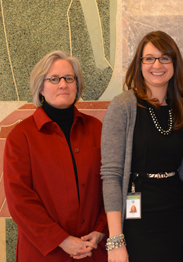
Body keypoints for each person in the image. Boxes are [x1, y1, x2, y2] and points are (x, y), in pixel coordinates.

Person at [101, 30, 183, 262]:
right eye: (149, 58)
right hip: (137, 221)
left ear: (174, 64)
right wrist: (116, 239)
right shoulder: (123, 106)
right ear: (139, 64)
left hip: (177, 216)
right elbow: (111, 174)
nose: (157, 64)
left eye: (165, 58)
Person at [3, 51, 108, 261]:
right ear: (40, 87)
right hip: (45, 253)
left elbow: (112, 183)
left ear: (77, 86)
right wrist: (62, 240)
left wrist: (101, 230)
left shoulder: (97, 129)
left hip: (93, 249)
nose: (63, 84)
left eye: (69, 78)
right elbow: (20, 200)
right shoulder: (21, 136)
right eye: (54, 79)